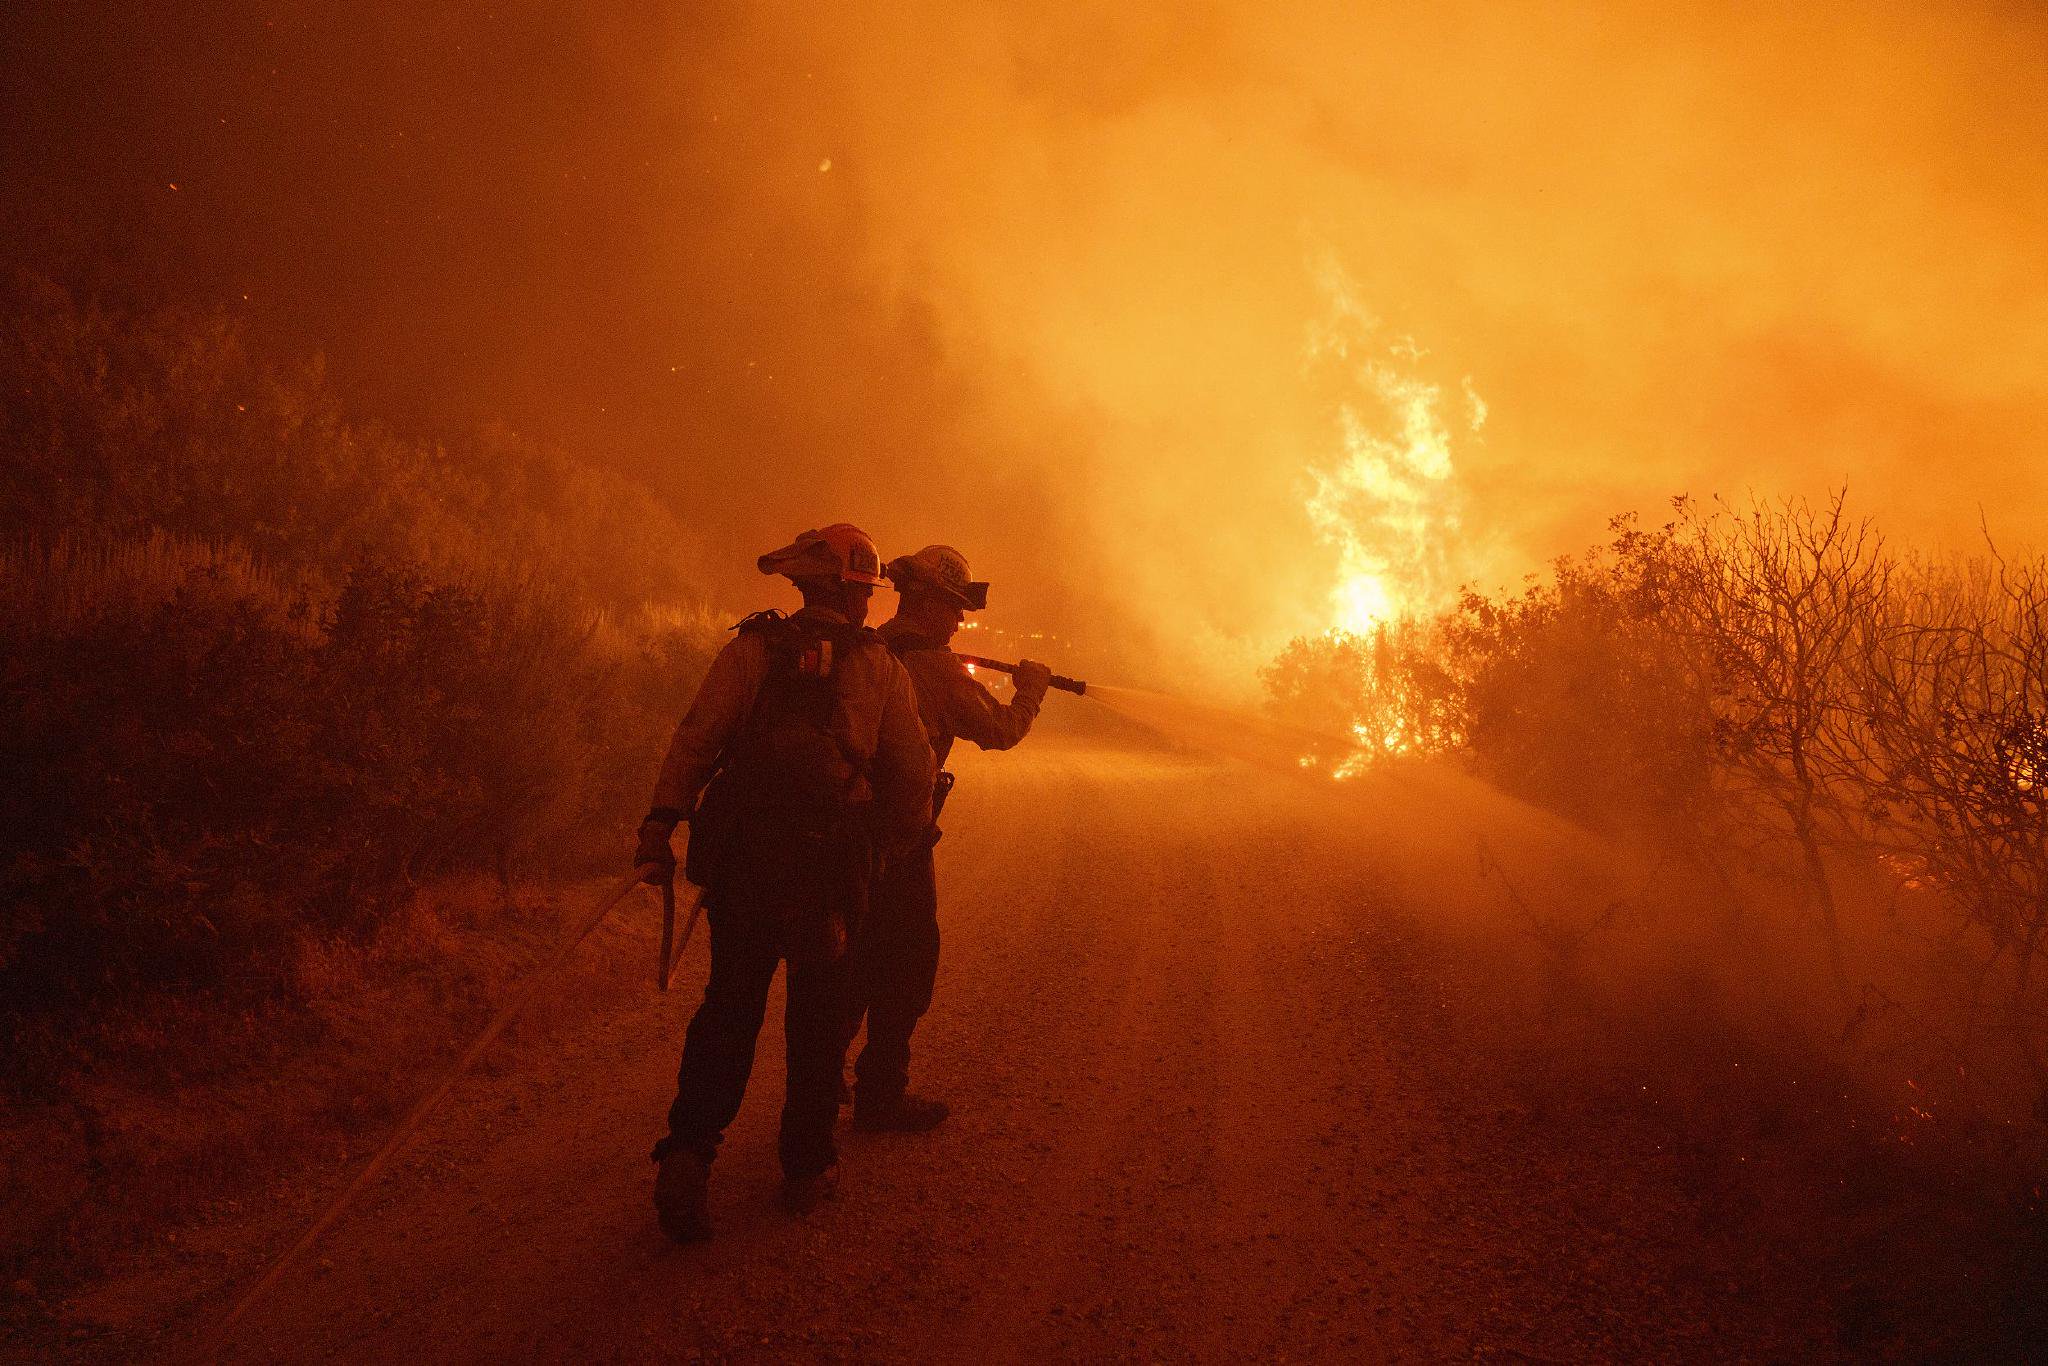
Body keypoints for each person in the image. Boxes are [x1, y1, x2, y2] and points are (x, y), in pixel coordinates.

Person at [635, 524, 933, 1241]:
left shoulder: (751, 650)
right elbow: (914, 774)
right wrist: (893, 847)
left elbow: (697, 738)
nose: (867, 604)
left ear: (803, 584)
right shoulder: (878, 667)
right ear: (852, 594)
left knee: (729, 1007)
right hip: (827, 874)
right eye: (864, 592)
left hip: (744, 866)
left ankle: (688, 1155)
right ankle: (805, 1167)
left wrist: (659, 824)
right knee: (818, 1020)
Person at [847, 545, 1052, 1132]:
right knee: (907, 962)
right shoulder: (936, 668)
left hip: (844, 834)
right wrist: (1031, 689)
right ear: (927, 602)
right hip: (900, 838)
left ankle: (822, 1078)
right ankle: (881, 1094)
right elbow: (1000, 730)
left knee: (850, 957)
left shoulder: (868, 649)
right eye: (954, 606)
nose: (961, 620)